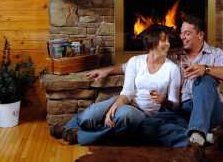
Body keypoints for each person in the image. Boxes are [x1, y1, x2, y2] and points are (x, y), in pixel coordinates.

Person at [89, 15, 223, 148]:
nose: (182, 37)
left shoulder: (215, 54)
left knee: (204, 80)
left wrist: (206, 69)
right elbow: (132, 65)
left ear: (200, 35)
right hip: (180, 111)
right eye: (181, 33)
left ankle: (198, 131)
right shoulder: (173, 56)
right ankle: (202, 138)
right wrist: (107, 70)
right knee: (145, 125)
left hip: (208, 109)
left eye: (188, 33)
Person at [51, 25, 181, 145]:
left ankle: (80, 136)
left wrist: (164, 101)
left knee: (124, 115)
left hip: (144, 113)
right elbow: (127, 93)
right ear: (153, 43)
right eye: (164, 40)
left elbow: (175, 105)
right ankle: (67, 128)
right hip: (127, 100)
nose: (168, 44)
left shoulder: (172, 69)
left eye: (168, 40)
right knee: (88, 117)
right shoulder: (135, 62)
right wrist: (114, 107)